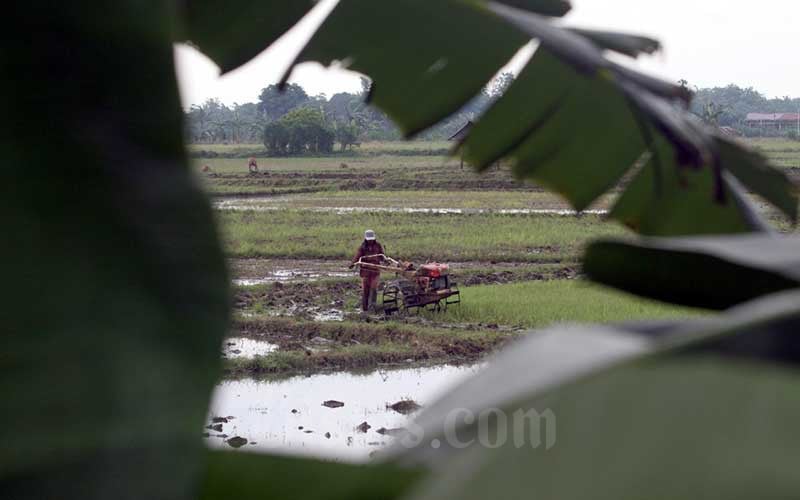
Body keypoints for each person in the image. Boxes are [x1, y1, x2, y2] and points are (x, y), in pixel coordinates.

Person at [350, 229, 384, 312]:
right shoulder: (362, 247)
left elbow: (382, 255)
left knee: (374, 288)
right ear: (366, 239)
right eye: (369, 239)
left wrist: (384, 260)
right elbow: (357, 256)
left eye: (372, 239)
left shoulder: (378, 245)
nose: (370, 241)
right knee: (366, 289)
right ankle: (364, 308)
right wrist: (353, 263)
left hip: (375, 270)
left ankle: (372, 307)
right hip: (365, 271)